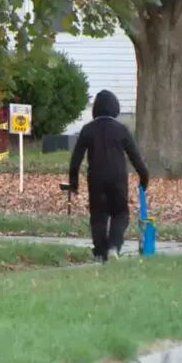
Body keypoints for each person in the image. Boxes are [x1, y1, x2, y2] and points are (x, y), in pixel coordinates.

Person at [68, 89, 149, 263]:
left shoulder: (87, 129)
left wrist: (74, 182)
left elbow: (76, 159)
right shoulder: (121, 130)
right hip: (117, 178)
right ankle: (113, 246)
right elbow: (135, 157)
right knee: (120, 213)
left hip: (95, 178)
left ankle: (99, 252)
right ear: (115, 108)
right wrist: (143, 179)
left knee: (98, 215)